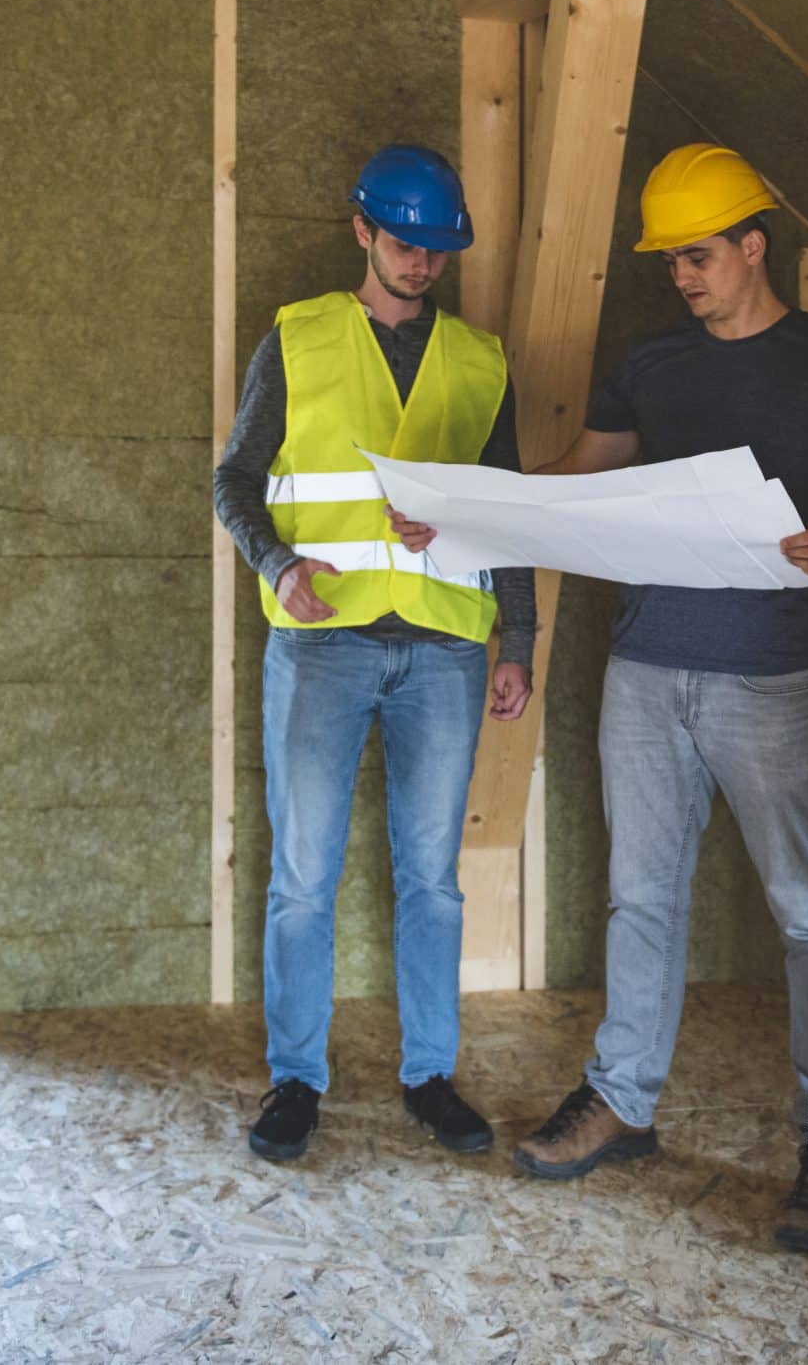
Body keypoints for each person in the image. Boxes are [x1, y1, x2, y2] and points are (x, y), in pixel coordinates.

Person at [401, 143, 808, 1253]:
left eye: (696, 256)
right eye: (671, 260)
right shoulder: (653, 359)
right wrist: (472, 517)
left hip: (770, 684)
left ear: (751, 248)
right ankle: (623, 1104)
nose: (680, 276)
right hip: (643, 672)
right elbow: (575, 480)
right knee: (641, 900)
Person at [212, 144, 534, 1164]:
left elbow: (509, 513)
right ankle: (295, 1080)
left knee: (431, 880)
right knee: (304, 876)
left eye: (437, 250)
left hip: (443, 653)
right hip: (323, 647)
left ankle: (430, 1074)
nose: (421, 264)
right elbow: (235, 478)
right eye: (404, 244)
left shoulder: (481, 362)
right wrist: (275, 565)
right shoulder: (299, 338)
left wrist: (516, 637)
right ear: (362, 232)